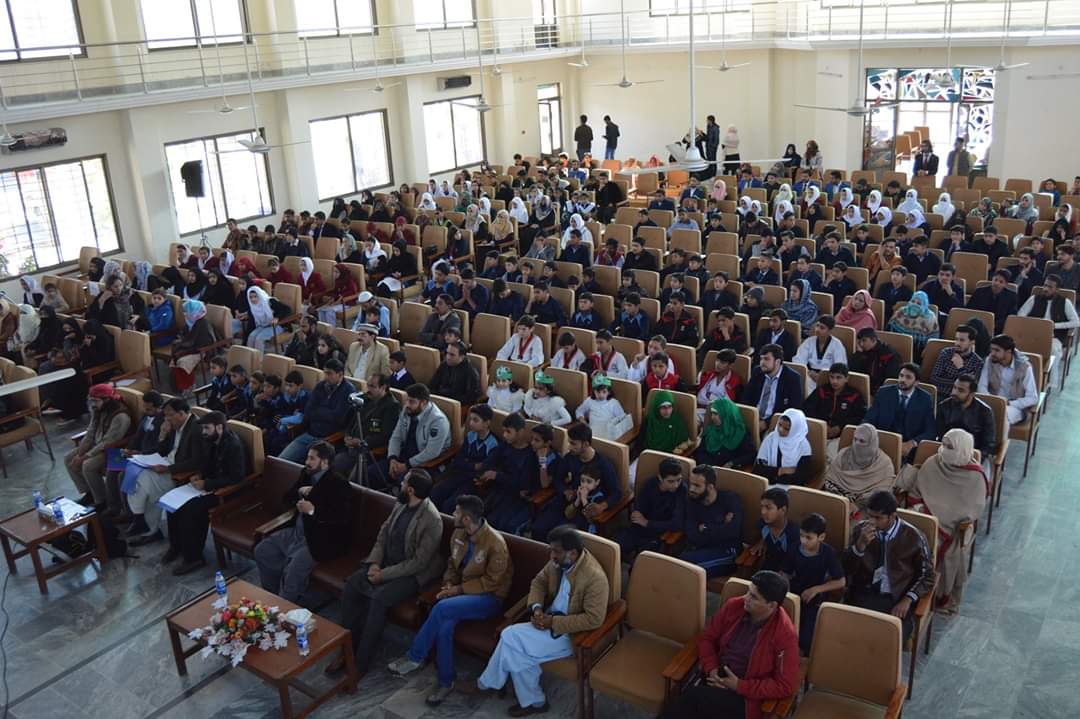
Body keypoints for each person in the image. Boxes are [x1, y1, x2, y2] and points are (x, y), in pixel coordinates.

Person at [464, 525, 607, 716]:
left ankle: (487, 684)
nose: (551, 556)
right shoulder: (558, 562)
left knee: (509, 636)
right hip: (548, 621)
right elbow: (538, 582)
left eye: (556, 551)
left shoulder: (594, 578)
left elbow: (594, 619)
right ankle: (534, 702)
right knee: (518, 653)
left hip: (572, 635)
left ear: (572, 553)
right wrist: (537, 608)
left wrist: (553, 623)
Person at [387, 494, 513, 706]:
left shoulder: (495, 543)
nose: (453, 514)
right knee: (444, 627)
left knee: (442, 608)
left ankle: (415, 656)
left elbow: (492, 583)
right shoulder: (458, 534)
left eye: (456, 512)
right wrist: (448, 584)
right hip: (462, 592)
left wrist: (457, 590)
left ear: (466, 518)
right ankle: (447, 682)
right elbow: (452, 565)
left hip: (489, 597)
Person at [326, 470, 445, 677]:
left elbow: (418, 562)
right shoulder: (400, 503)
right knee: (353, 585)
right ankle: (345, 650)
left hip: (411, 574)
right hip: (385, 563)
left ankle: (361, 663)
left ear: (411, 489)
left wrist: (384, 575)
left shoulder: (432, 519)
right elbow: (383, 534)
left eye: (404, 481)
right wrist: (374, 563)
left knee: (380, 599)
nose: (400, 484)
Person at [658, 569, 798, 719]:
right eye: (748, 592)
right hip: (716, 677)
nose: (745, 598)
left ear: (771, 605)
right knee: (688, 702)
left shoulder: (784, 634)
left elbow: (785, 685)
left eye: (753, 597)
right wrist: (712, 669)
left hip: (745, 696)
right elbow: (707, 638)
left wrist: (739, 685)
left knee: (693, 698)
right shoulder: (734, 606)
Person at [896, 429, 989, 614]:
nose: (943, 449)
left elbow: (971, 509)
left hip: (954, 527)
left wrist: (942, 516)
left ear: (962, 449)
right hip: (926, 516)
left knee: (940, 548)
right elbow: (916, 492)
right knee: (902, 537)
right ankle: (900, 587)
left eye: (949, 446)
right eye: (943, 444)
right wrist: (923, 509)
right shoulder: (934, 462)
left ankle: (932, 594)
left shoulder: (975, 477)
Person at [162, 411, 246, 575]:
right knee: (172, 504)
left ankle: (194, 558)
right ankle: (176, 546)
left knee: (191, 510)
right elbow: (206, 463)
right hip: (208, 486)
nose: (204, 432)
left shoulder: (233, 445)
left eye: (207, 428)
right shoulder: (211, 440)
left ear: (219, 427)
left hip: (226, 492)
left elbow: (237, 477)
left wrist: (207, 483)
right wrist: (199, 474)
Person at [844, 490, 934, 642]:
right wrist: (859, 546)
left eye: (878, 518)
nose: (872, 522)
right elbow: (846, 568)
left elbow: (928, 576)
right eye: (869, 516)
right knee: (849, 635)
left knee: (888, 641)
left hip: (896, 598)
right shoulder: (861, 530)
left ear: (892, 516)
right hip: (865, 593)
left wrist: (907, 599)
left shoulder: (914, 537)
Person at [124, 398, 204, 545]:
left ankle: (144, 522)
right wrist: (162, 435)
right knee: (134, 473)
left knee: (144, 482)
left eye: (169, 415)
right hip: (165, 463)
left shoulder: (196, 428)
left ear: (181, 413)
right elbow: (163, 450)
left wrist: (168, 469)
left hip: (178, 471)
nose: (166, 419)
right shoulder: (174, 425)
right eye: (165, 415)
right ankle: (145, 523)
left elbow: (196, 461)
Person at [781, 514, 846, 656]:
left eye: (808, 537)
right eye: (801, 536)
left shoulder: (828, 553)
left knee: (806, 637)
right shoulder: (794, 548)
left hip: (815, 598)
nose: (803, 541)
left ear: (821, 537)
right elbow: (785, 573)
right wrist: (787, 592)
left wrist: (816, 589)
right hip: (795, 592)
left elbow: (840, 581)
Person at [65, 384, 131, 512]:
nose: (92, 404)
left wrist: (84, 457)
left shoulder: (120, 416)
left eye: (95, 401)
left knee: (87, 465)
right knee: (68, 458)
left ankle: (101, 500)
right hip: (98, 445)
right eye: (91, 400)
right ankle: (89, 493)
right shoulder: (98, 410)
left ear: (107, 400)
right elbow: (90, 433)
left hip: (115, 449)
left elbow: (108, 442)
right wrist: (80, 453)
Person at [374, 383, 453, 491]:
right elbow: (396, 437)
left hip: (423, 464)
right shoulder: (407, 411)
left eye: (411, 401)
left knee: (403, 486)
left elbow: (431, 452)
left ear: (423, 403)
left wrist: (406, 465)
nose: (407, 404)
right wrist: (393, 458)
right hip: (402, 457)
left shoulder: (438, 421)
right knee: (371, 473)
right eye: (407, 400)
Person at [278, 359, 352, 463]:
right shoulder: (321, 386)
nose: (326, 376)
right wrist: (326, 412)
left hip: (327, 439)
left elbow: (338, 417)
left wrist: (319, 411)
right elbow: (309, 410)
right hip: (310, 433)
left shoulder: (348, 391)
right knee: (282, 461)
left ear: (340, 374)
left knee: (310, 467)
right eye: (325, 373)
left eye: (329, 373)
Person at [677, 464, 743, 578]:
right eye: (691, 484)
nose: (691, 489)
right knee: (680, 563)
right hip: (700, 550)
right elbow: (692, 533)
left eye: (697, 485)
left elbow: (733, 532)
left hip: (726, 552)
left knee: (687, 570)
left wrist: (705, 528)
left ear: (710, 487)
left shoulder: (730, 500)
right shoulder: (692, 500)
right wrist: (721, 526)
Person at [617, 458, 687, 560]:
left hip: (658, 535)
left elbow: (677, 523)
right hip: (638, 529)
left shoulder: (682, 490)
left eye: (679, 480)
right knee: (615, 550)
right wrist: (637, 515)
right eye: (671, 481)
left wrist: (648, 523)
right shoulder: (650, 484)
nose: (676, 485)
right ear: (660, 478)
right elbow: (639, 510)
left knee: (640, 564)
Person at [865, 362, 936, 462]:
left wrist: (912, 443)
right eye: (901, 375)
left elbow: (930, 431)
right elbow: (869, 419)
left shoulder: (925, 399)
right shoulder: (883, 393)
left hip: (909, 448)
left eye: (908, 377)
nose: (903, 380)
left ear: (916, 382)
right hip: (882, 443)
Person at [822, 422, 896, 512]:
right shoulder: (843, 454)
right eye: (855, 439)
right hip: (835, 499)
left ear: (872, 443)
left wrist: (857, 505)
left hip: (866, 508)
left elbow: (882, 493)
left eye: (862, 441)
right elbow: (829, 479)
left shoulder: (884, 464)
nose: (857, 444)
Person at [1018, 273, 1080, 375]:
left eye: (1050, 287)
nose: (1046, 289)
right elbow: (1020, 315)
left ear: (1057, 289)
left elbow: (1076, 322)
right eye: (1045, 285)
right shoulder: (1034, 299)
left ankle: (1049, 383)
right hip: (1032, 334)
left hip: (1054, 337)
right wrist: (1034, 324)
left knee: (1054, 351)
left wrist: (1054, 325)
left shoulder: (1065, 302)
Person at [803, 363, 866, 459]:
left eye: (838, 378)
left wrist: (840, 427)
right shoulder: (821, 391)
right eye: (831, 377)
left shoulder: (855, 395)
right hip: (819, 432)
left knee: (831, 457)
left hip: (842, 437)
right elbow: (807, 409)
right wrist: (822, 425)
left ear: (846, 378)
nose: (834, 381)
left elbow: (860, 417)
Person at [977, 334, 1038, 425]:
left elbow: (1033, 398)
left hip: (1014, 407)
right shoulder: (990, 360)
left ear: (1009, 352)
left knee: (999, 418)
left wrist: (1009, 403)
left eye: (997, 350)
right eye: (992, 349)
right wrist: (992, 401)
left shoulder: (1025, 367)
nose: (992, 353)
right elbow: (982, 386)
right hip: (992, 402)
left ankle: (999, 439)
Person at [741, 344, 803, 433]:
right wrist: (751, 417)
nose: (762, 362)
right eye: (761, 358)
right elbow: (746, 397)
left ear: (777, 361)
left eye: (766, 359)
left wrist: (767, 422)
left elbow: (793, 409)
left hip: (776, 423)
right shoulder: (757, 371)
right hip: (754, 418)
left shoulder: (792, 378)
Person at [937, 374, 998, 462]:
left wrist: (974, 458)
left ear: (972, 394)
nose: (954, 393)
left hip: (973, 455)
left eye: (961, 390)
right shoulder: (944, 406)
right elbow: (940, 435)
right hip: (948, 452)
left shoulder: (985, 411)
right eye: (954, 387)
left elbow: (988, 444)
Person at [754, 408, 813, 485]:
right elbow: (758, 469)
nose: (780, 430)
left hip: (790, 489)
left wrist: (773, 475)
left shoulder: (804, 447)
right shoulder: (771, 438)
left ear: (795, 429)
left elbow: (800, 478)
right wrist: (781, 471)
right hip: (767, 484)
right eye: (780, 425)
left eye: (786, 429)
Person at [695, 397, 756, 469]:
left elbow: (750, 455)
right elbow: (701, 452)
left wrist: (732, 463)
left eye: (716, 414)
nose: (712, 417)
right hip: (707, 470)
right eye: (712, 414)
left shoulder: (741, 433)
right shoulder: (711, 430)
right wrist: (708, 466)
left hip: (728, 473)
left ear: (726, 414)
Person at [749, 487, 799, 572]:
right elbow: (764, 536)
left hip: (786, 574)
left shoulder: (793, 534)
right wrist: (761, 542)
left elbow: (795, 563)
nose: (763, 512)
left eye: (768, 508)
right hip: (766, 570)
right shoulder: (762, 524)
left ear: (783, 510)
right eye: (762, 507)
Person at [793, 315, 847, 394]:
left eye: (822, 328)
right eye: (817, 326)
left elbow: (840, 366)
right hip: (809, 375)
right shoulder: (809, 342)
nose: (817, 330)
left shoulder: (837, 345)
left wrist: (823, 376)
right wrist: (809, 373)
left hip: (828, 377)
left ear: (830, 330)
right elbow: (798, 361)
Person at [575, 373, 632, 441]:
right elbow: (579, 411)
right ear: (593, 391)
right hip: (593, 433)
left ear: (609, 392)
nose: (601, 395)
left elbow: (622, 418)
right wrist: (584, 422)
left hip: (610, 435)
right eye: (598, 392)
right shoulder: (590, 401)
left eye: (604, 392)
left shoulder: (613, 403)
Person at [887, 289, 939, 356]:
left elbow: (933, 340)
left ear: (924, 305)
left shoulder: (930, 317)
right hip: (895, 346)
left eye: (919, 303)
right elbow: (889, 330)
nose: (914, 305)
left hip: (917, 350)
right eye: (913, 301)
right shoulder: (902, 311)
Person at [848, 328, 901, 394]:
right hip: (864, 387)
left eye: (864, 341)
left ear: (873, 340)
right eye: (859, 341)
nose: (861, 344)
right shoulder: (863, 352)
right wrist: (858, 354)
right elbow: (852, 370)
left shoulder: (888, 354)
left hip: (880, 390)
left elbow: (891, 379)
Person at [968, 270, 1018, 335]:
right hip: (978, 326)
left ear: (1005, 284)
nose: (997, 283)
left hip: (1000, 329)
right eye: (995, 280)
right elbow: (970, 310)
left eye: (1001, 282)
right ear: (992, 279)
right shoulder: (979, 292)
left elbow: (1011, 317)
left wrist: (994, 325)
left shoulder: (1012, 296)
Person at [430, 340, 481, 405]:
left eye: (452, 355)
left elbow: (471, 397)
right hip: (441, 400)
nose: (448, 357)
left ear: (462, 357)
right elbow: (432, 385)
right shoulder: (444, 365)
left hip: (457, 404)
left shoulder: (470, 372)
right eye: (447, 353)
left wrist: (449, 400)